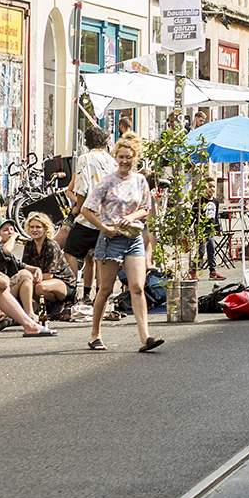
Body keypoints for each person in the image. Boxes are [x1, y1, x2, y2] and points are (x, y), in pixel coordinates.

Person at [81, 139, 162, 353]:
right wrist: (103, 227)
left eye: (129, 157)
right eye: (121, 157)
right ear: (115, 158)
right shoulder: (107, 182)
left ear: (136, 158)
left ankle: (145, 338)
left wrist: (132, 216)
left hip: (133, 237)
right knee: (105, 289)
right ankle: (95, 334)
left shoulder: (140, 181)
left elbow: (146, 208)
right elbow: (87, 209)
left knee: (137, 287)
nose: (125, 161)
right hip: (110, 239)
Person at [63, 125, 117, 306]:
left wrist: (78, 207)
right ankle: (99, 297)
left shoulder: (86, 158)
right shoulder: (112, 161)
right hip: (108, 217)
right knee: (99, 257)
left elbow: (82, 187)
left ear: (87, 142)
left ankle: (74, 291)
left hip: (89, 217)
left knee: (70, 251)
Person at [21, 212, 75, 320]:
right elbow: (25, 266)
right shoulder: (29, 245)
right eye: (31, 227)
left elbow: (49, 275)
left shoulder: (52, 245)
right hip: (40, 279)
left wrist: (31, 278)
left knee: (39, 287)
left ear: (45, 229)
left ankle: (57, 306)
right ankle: (46, 307)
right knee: (27, 285)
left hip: (63, 282)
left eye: (38, 227)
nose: (34, 230)